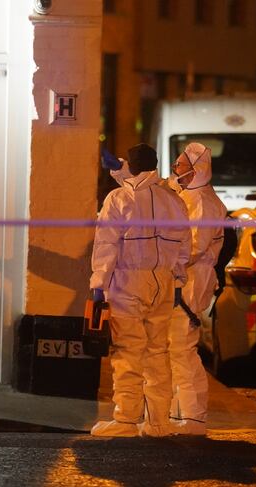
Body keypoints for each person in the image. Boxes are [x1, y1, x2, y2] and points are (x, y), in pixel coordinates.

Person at [90, 143, 191, 438]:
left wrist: (99, 284)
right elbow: (185, 245)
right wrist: (178, 280)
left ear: (130, 166)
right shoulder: (174, 200)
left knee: (128, 352)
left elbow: (107, 244)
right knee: (158, 352)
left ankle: (126, 421)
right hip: (163, 282)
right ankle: (159, 422)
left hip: (128, 281)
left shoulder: (118, 199)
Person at [166, 142, 228, 436]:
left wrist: (163, 258)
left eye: (179, 165)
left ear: (194, 169)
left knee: (182, 347)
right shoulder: (188, 195)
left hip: (190, 282)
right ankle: (182, 413)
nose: (174, 170)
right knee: (175, 348)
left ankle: (193, 416)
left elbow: (194, 247)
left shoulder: (203, 202)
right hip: (183, 279)